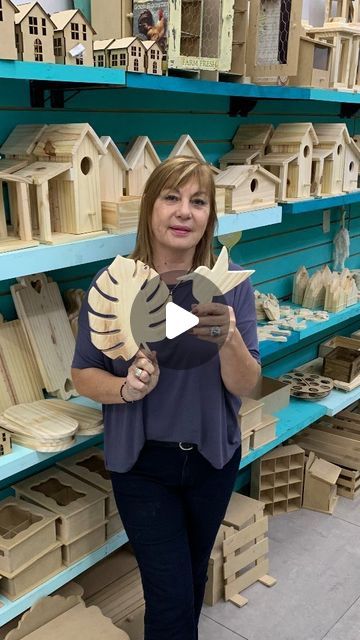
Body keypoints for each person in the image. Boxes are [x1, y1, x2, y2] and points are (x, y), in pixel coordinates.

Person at [71, 156, 261, 640]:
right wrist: (124, 388)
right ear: (150, 211)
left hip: (212, 460)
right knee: (170, 596)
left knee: (193, 575)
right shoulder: (113, 285)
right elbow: (82, 375)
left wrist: (231, 339)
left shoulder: (229, 283)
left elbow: (248, 384)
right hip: (142, 466)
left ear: (209, 217)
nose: (184, 212)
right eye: (171, 198)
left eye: (198, 201)